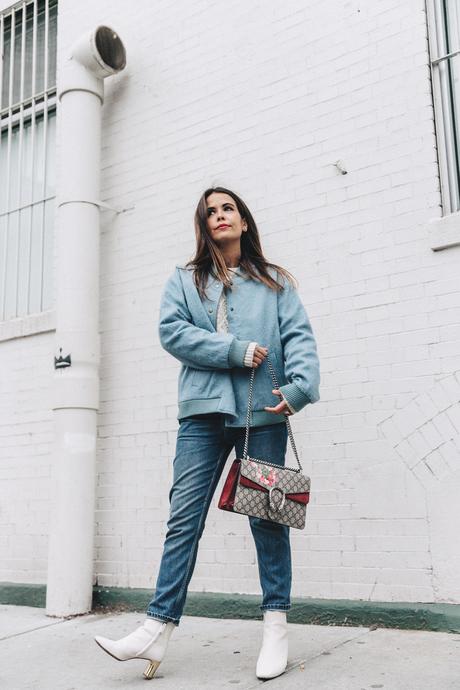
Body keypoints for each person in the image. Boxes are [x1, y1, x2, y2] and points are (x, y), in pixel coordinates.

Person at [94, 186, 320, 680]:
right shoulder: (184, 279)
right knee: (184, 518)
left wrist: (299, 389)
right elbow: (172, 332)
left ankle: (275, 627)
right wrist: (234, 351)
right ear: (204, 225)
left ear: (243, 221)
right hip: (200, 414)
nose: (220, 216)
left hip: (261, 413)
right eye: (210, 212)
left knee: (267, 519)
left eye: (228, 209)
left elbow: (299, 337)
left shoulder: (274, 281)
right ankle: (157, 629)